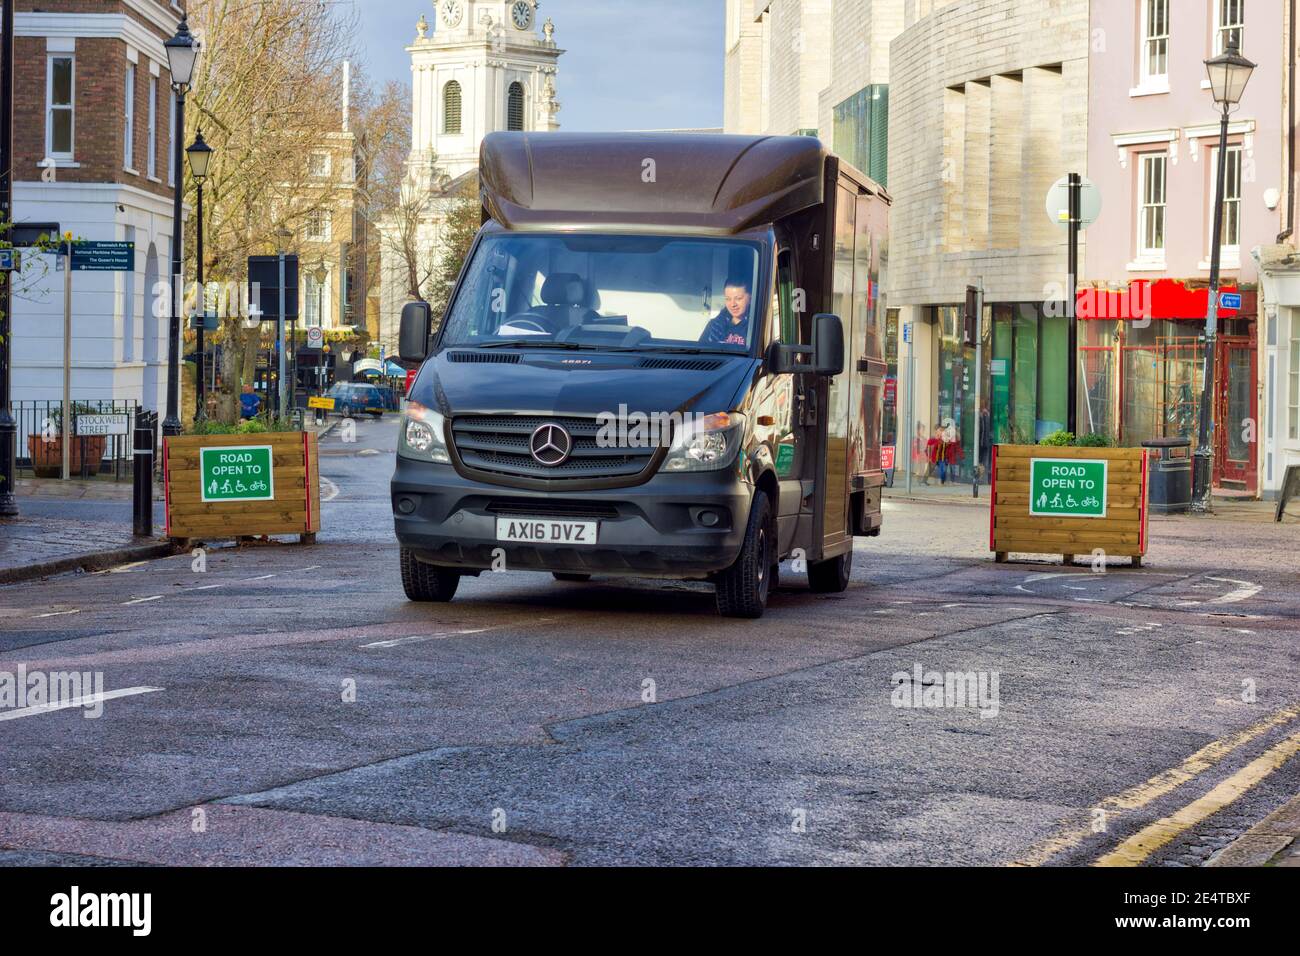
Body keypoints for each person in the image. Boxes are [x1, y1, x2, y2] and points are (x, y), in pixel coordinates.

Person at [699, 278, 752, 347]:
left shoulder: (756, 327)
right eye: (728, 299)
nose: (733, 304)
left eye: (738, 298)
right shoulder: (714, 325)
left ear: (750, 299)